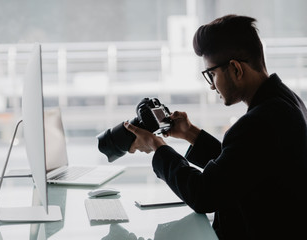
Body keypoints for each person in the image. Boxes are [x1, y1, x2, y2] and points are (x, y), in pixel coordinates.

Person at [123, 15, 307, 239]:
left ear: (236, 69)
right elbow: (241, 166)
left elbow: (204, 195)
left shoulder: (260, 121)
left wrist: (156, 146)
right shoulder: (287, 101)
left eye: (211, 74)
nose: (211, 86)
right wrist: (191, 133)